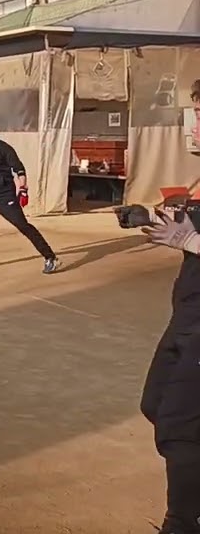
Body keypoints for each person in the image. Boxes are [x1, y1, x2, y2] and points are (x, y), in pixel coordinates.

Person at [116, 201, 200, 533]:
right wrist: (145, 215)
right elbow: (188, 218)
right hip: (186, 319)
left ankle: (184, 521)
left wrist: (192, 242)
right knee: (155, 403)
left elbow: (190, 234)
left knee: (179, 427)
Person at [0, 114, 60, 274]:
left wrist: (23, 188)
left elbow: (19, 169)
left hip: (5, 197)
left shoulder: (3, 148)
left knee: (23, 226)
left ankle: (51, 258)